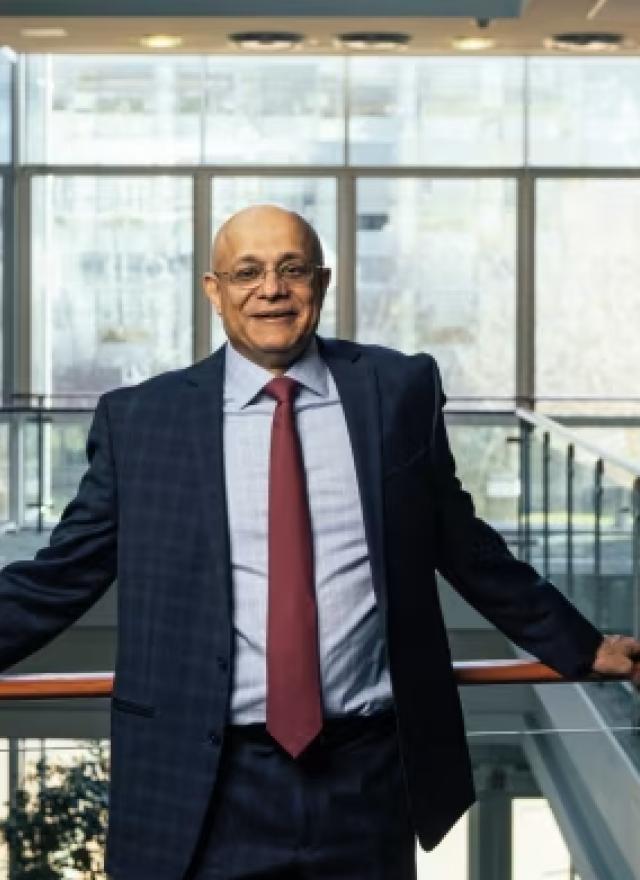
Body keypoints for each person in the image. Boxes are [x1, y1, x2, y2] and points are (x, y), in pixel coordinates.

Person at [0, 204, 639, 880]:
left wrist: (582, 645)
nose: (271, 289)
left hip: (364, 778)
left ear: (322, 282)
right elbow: (60, 575)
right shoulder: (143, 420)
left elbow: (463, 543)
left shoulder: (397, 392)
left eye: (291, 269)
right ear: (214, 290)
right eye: (247, 272)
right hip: (203, 781)